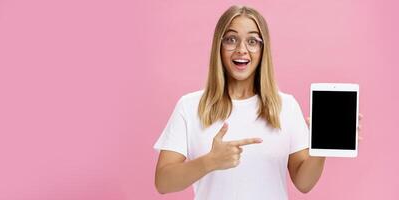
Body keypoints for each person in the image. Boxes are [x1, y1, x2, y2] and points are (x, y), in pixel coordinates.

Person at [153, 5, 363, 200]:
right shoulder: (190, 106)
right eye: (231, 39)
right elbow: (163, 182)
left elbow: (303, 183)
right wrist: (209, 161)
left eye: (252, 41)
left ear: (263, 50)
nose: (241, 50)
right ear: (219, 46)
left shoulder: (286, 107)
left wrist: (321, 148)